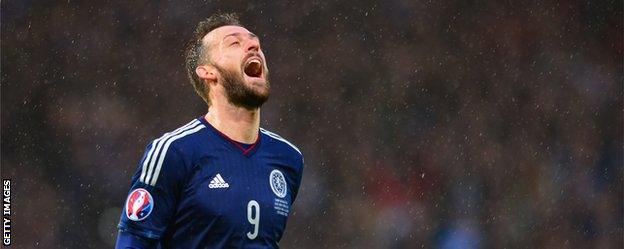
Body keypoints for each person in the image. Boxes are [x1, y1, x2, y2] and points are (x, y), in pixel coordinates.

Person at [115, 13, 304, 248]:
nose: (254, 46)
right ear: (208, 72)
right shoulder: (174, 152)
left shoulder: (288, 158)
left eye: (255, 42)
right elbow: (134, 241)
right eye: (235, 43)